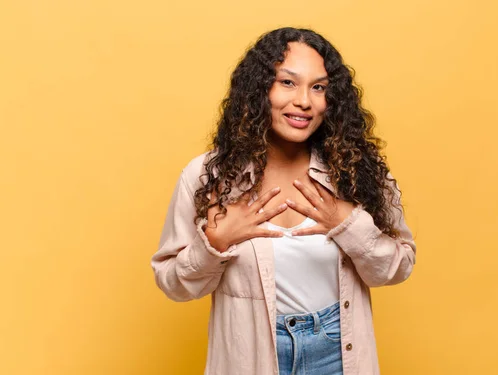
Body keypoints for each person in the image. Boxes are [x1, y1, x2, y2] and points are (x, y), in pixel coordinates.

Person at [151, 27, 416, 375]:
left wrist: (349, 225)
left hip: (338, 351)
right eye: (287, 82)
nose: (304, 101)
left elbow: (398, 266)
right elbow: (172, 283)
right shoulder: (208, 176)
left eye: (318, 87)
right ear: (259, 90)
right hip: (253, 355)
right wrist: (214, 243)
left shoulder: (355, 171)